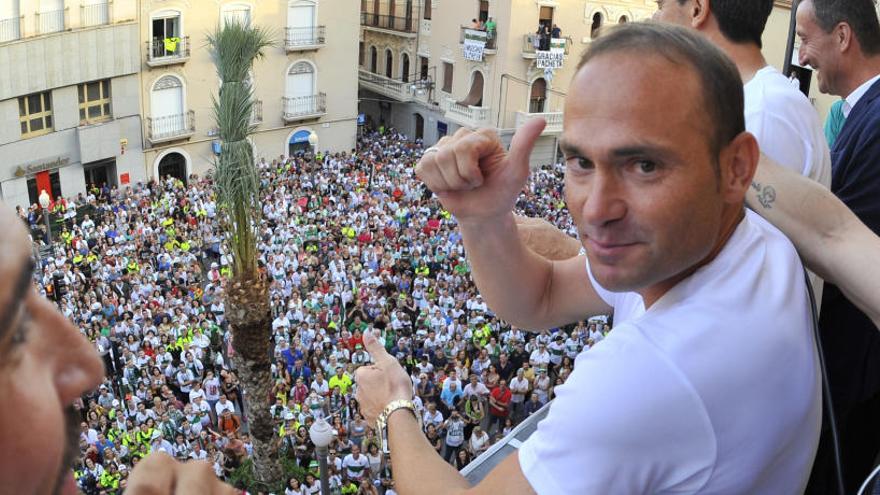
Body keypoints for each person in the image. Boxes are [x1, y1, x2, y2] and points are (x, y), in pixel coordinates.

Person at [355, 22, 820, 494]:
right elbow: (541, 296)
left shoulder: (648, 377)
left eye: (644, 166)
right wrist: (484, 219)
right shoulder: (758, 244)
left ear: (737, 167)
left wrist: (393, 410)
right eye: (580, 162)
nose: (596, 209)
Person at [653, 0, 831, 299]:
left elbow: (738, 274)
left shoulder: (760, 112)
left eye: (661, 4)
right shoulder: (750, 103)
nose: (655, 17)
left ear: (697, 9)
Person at [795, 1, 880, 491]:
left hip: (855, 378)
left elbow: (835, 233)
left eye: (806, 38)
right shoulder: (858, 113)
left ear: (843, 36)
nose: (802, 56)